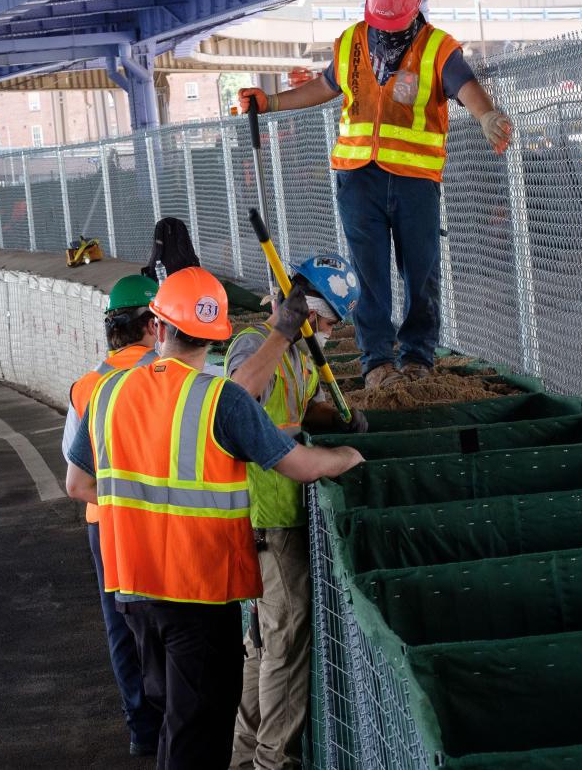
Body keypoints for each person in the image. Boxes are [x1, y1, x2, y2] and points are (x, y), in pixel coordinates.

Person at [65, 266, 364, 770]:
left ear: (158, 327)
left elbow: (77, 484)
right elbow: (301, 465)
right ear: (219, 336)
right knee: (196, 738)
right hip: (200, 591)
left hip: (134, 593)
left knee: (176, 724)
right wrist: (349, 456)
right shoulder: (219, 399)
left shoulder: (108, 394)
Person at [238, 0, 512, 390]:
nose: (384, 32)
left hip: (413, 179)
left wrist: (486, 114)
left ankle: (418, 357)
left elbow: (465, 85)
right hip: (357, 177)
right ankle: (377, 363)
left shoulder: (437, 48)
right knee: (369, 275)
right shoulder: (351, 41)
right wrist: (270, 101)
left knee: (420, 271)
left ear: (413, 12)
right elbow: (326, 86)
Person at [226, 255, 367, 770]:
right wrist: (283, 333)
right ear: (305, 309)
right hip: (268, 517)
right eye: (329, 322)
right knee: (282, 648)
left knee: (265, 643)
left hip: (284, 513)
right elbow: (238, 400)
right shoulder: (257, 344)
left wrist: (339, 418)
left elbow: (295, 409)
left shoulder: (300, 356)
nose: (331, 333)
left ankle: (243, 758)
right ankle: (270, 763)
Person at [62, 273, 163, 757]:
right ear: (151, 325)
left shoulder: (86, 386)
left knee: (120, 626)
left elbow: (73, 463)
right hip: (162, 516)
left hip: (104, 522)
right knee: (174, 619)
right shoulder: (169, 372)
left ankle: (141, 728)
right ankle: (177, 723)